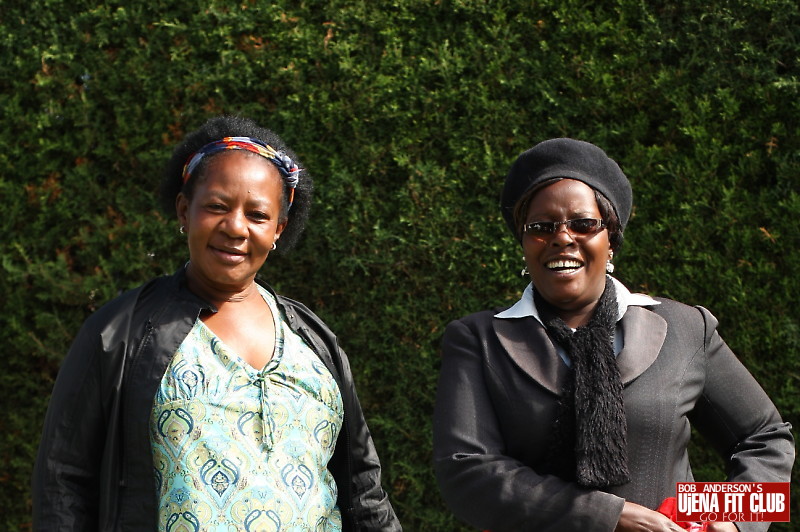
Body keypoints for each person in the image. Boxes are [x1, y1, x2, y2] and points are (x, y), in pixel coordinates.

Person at [33, 115, 402, 531]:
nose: (236, 227)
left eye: (258, 215)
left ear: (278, 229)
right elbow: (63, 481)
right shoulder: (119, 334)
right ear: (184, 210)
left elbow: (363, 488)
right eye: (216, 207)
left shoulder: (314, 342)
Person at [432, 138, 794, 532]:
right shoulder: (479, 339)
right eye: (541, 227)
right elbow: (465, 469)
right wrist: (609, 516)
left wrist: (731, 519)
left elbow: (766, 437)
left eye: (583, 224)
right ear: (523, 243)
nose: (562, 237)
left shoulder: (686, 329)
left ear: (611, 240)